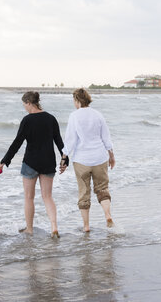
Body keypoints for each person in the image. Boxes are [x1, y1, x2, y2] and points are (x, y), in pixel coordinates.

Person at [0, 91, 66, 238]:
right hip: (48, 162)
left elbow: (17, 142)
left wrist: (5, 159)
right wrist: (65, 159)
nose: (24, 107)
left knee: (29, 197)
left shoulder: (27, 120)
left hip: (31, 162)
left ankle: (29, 229)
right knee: (47, 196)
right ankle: (54, 226)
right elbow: (59, 142)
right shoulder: (51, 118)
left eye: (24, 104)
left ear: (29, 103)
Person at [60, 88, 115, 233]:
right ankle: (107, 215)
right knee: (102, 189)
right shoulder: (98, 115)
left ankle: (86, 226)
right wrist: (111, 155)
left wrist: (64, 157)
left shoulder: (74, 116)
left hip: (81, 160)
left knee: (84, 193)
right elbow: (106, 137)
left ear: (76, 100)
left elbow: (70, 139)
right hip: (100, 157)